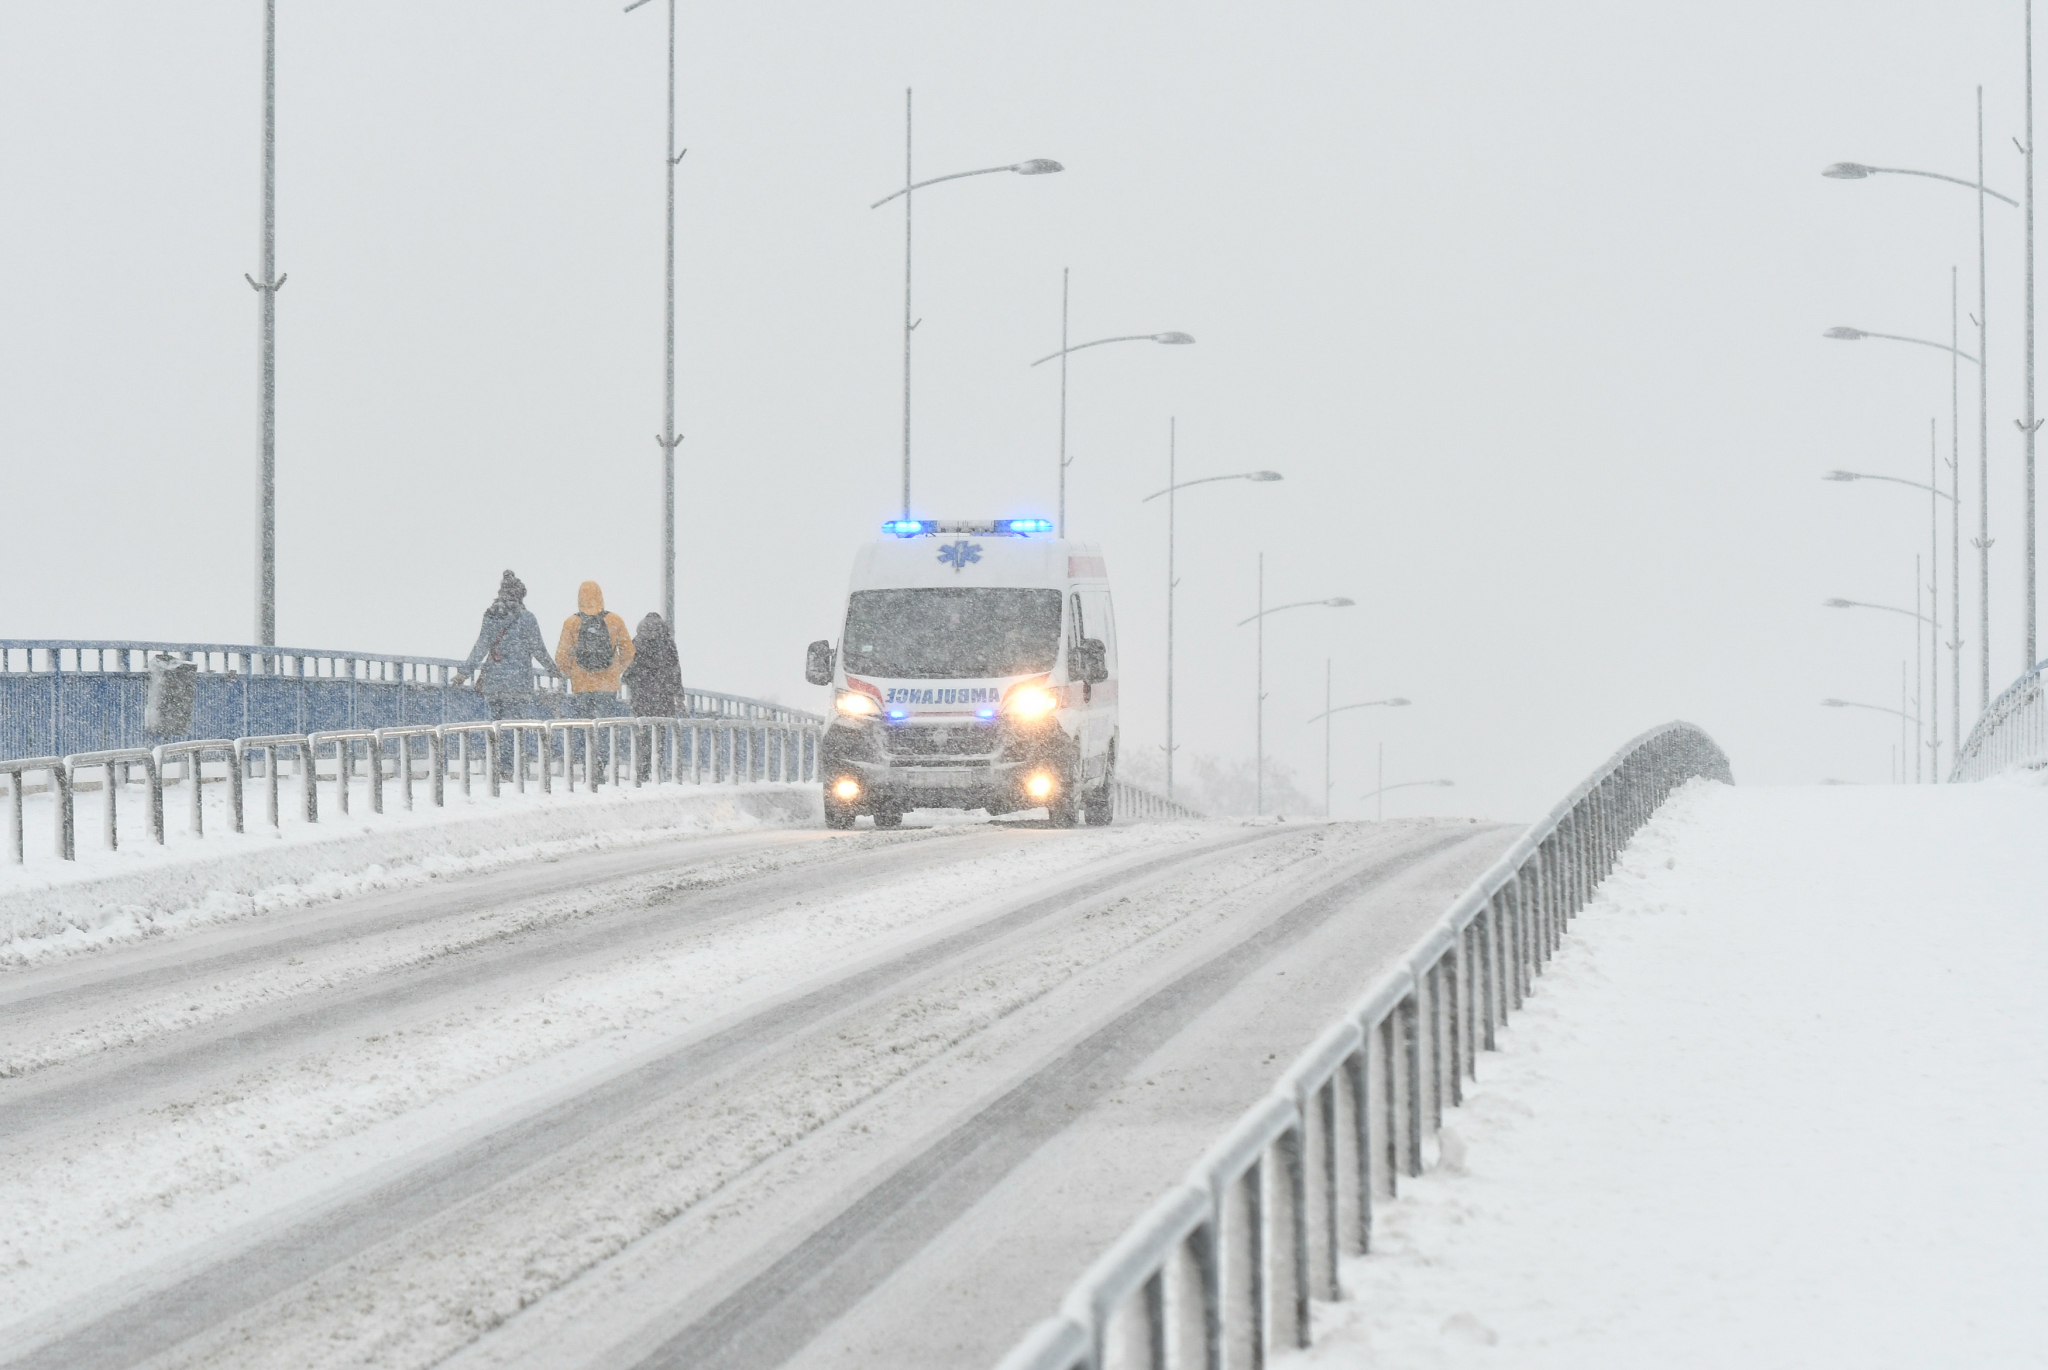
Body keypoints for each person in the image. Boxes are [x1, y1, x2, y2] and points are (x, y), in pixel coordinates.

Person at [456, 570, 555, 777]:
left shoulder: (491, 615)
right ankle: (509, 769)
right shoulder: (527, 618)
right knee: (514, 728)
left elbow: (481, 646)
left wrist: (464, 673)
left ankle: (498, 766)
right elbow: (538, 649)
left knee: (496, 728)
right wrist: (554, 669)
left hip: (494, 683)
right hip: (518, 684)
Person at [555, 580, 635, 777]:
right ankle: (601, 764)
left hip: (582, 686)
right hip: (607, 686)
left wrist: (574, 674)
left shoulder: (572, 623)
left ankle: (588, 764)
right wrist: (615, 670)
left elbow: (561, 657)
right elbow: (628, 651)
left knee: (585, 727)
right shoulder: (614, 620)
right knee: (604, 727)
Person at [622, 611, 684, 780]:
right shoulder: (669, 644)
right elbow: (675, 671)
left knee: (643, 733)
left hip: (641, 697)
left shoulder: (636, 642)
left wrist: (631, 680)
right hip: (663, 698)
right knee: (660, 734)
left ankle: (643, 769)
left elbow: (628, 669)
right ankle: (657, 767)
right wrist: (679, 695)